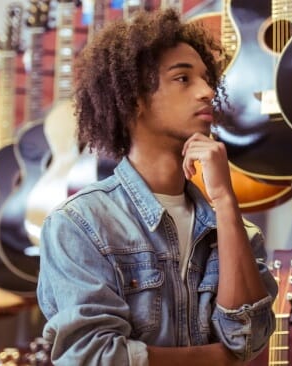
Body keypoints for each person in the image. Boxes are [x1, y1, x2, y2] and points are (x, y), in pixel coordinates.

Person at [36, 8, 277, 365]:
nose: (207, 91)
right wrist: (218, 359)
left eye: (207, 79)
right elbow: (95, 357)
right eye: (183, 79)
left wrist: (225, 200)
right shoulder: (79, 224)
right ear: (134, 99)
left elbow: (244, 341)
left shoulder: (238, 231)